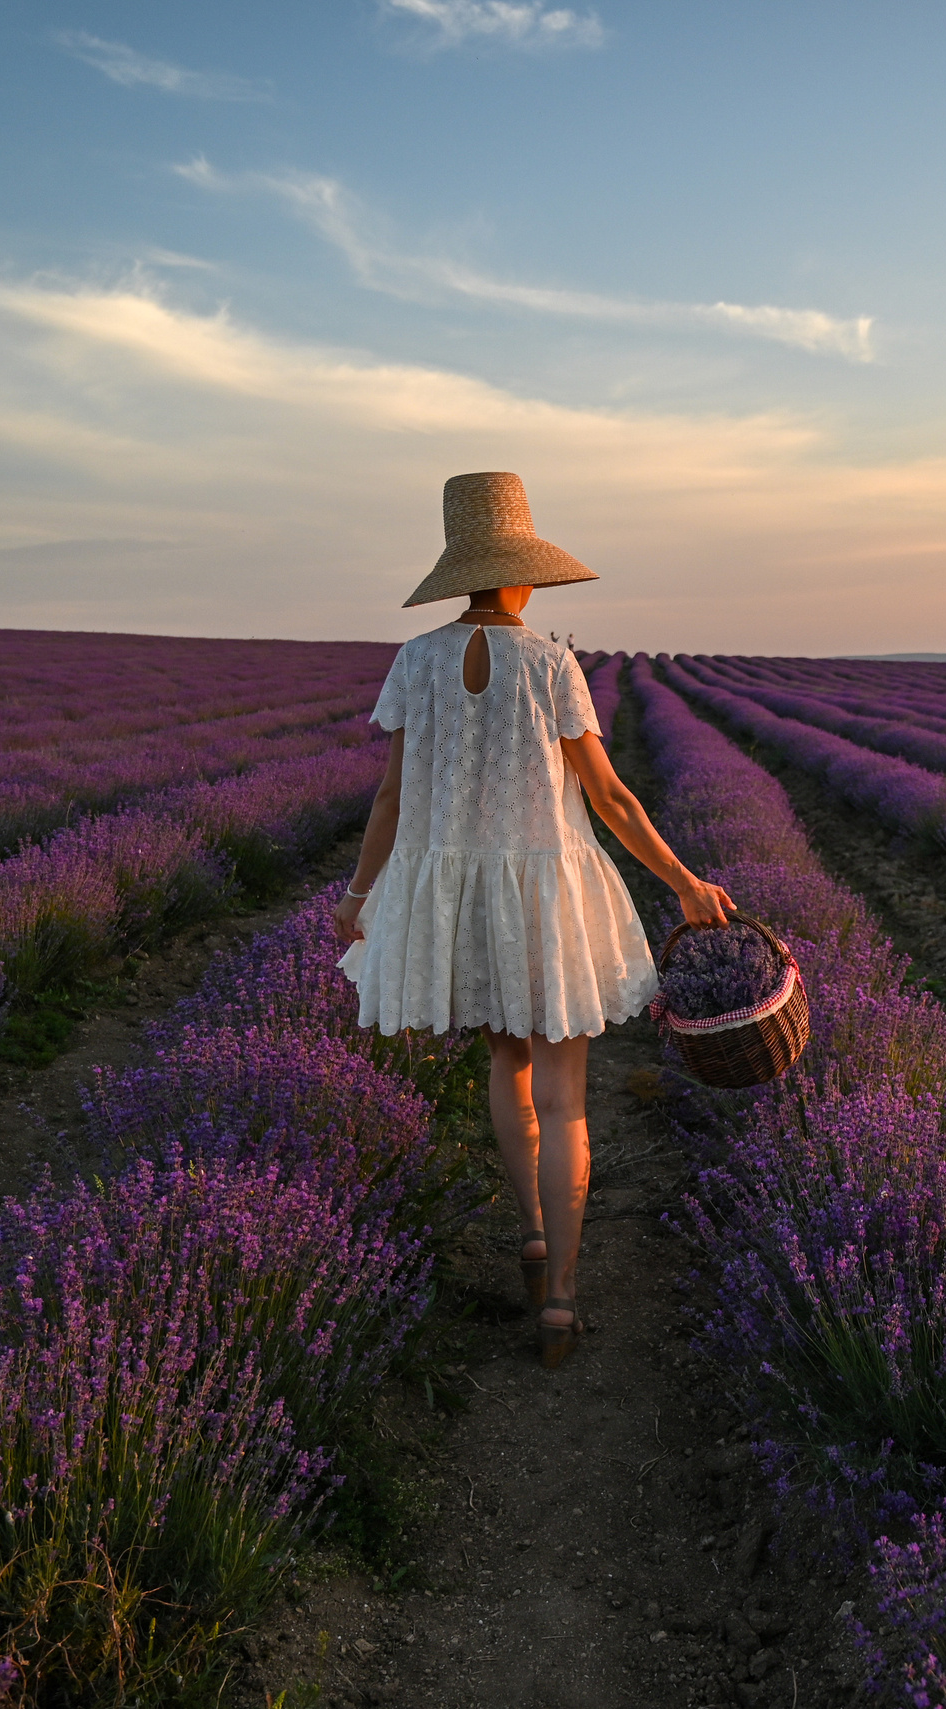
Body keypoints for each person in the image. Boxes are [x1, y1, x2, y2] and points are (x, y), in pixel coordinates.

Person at [331, 472, 731, 1369]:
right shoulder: (550, 663)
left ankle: (535, 1239)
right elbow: (613, 797)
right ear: (524, 572)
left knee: (508, 1077)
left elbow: (392, 798)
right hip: (547, 897)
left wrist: (358, 896)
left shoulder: (415, 662)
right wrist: (683, 882)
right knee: (565, 1098)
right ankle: (559, 1303)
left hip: (461, 899)